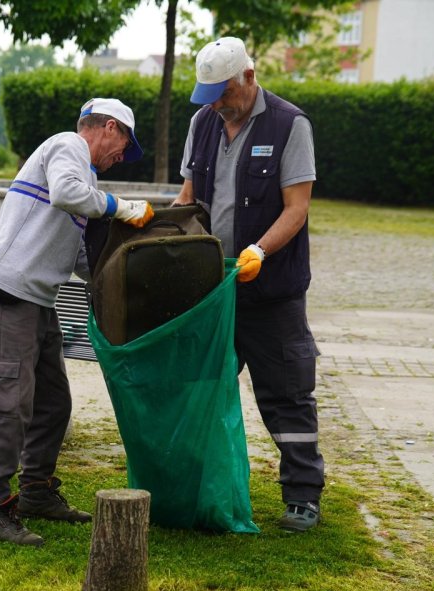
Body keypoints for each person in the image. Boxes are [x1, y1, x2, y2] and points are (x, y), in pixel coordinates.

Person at [0, 98, 155, 546]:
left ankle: (36, 492)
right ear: (109, 127)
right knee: (8, 406)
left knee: (53, 403)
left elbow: (75, 254)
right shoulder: (68, 146)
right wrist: (122, 207)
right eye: (123, 147)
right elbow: (67, 195)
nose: (120, 157)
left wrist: (119, 282)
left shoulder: (83, 176)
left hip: (36, 301)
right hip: (10, 294)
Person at [172, 37, 325, 532]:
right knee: (202, 390)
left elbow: (297, 208)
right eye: (208, 94)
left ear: (250, 78)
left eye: (223, 92)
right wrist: (163, 233)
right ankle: (194, 486)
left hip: (270, 291)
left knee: (286, 394)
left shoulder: (289, 124)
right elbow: (190, 195)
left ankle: (302, 497)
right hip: (213, 291)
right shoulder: (202, 123)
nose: (216, 103)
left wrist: (259, 249)